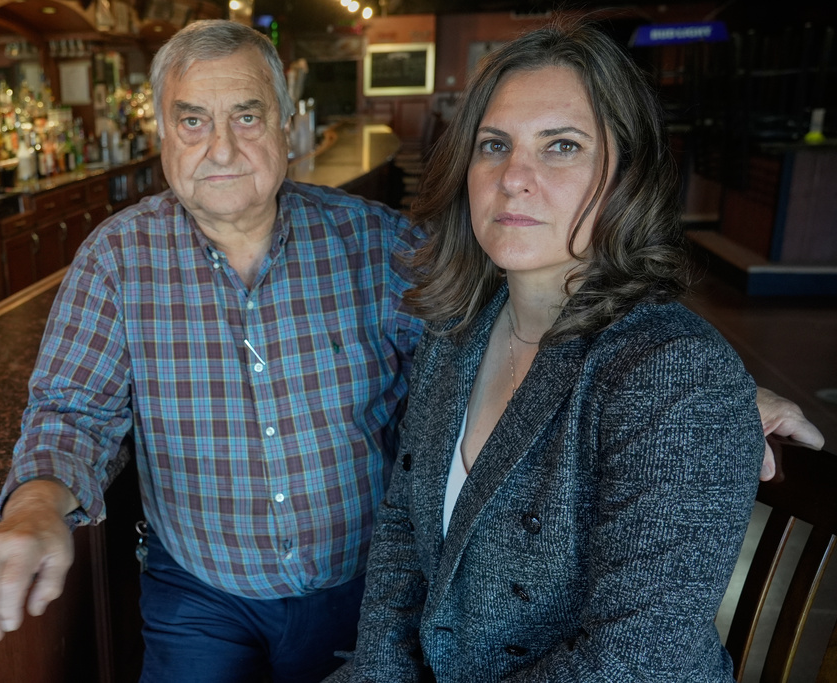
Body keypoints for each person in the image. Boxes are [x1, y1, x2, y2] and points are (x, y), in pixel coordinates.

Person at [0, 18, 823, 683]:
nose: (223, 147)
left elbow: (603, 336)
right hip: (201, 588)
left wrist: (716, 394)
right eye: (192, 121)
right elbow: (70, 412)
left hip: (353, 585)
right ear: (160, 134)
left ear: (288, 124)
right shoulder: (116, 259)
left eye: (247, 115)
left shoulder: (374, 247)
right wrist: (35, 507)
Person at [326, 21, 820, 682]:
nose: (513, 177)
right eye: (493, 145)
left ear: (627, 175)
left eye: (562, 146)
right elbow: (400, 538)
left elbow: (635, 661)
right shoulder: (459, 333)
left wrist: (720, 402)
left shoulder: (673, 376)